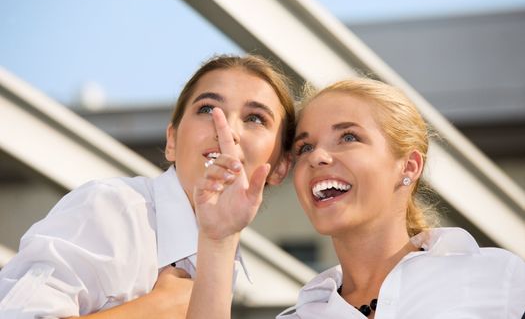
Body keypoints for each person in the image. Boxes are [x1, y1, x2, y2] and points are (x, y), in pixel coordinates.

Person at [187, 77, 525, 319]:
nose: (317, 156)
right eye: (304, 147)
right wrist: (219, 238)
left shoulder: (498, 277)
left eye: (348, 136)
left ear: (408, 165)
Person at [0, 54, 295, 318]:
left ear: (281, 167)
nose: (227, 129)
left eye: (255, 118)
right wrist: (157, 308)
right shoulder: (112, 209)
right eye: (207, 109)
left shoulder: (221, 256)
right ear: (172, 141)